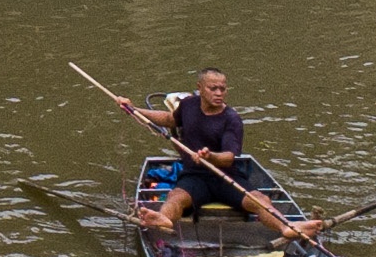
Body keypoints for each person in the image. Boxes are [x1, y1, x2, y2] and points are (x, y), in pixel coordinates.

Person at [111, 68, 325, 241]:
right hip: (195, 176)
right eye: (213, 88)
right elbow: (169, 120)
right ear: (200, 89)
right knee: (176, 197)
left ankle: (286, 227)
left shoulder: (231, 119)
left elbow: (229, 157)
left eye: (223, 89)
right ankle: (164, 219)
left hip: (224, 175)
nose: (219, 93)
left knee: (259, 199)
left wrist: (209, 156)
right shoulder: (188, 105)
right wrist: (135, 109)